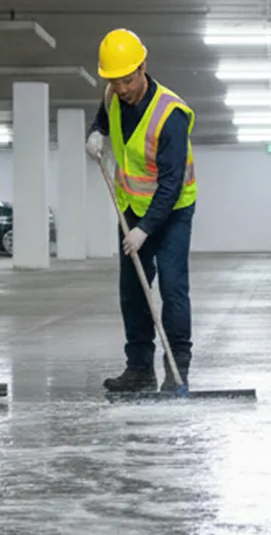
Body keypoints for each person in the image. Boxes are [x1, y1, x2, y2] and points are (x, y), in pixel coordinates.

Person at [84, 29, 197, 394]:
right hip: (132, 206)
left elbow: (171, 184)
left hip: (173, 209)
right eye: (114, 81)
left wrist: (145, 229)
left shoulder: (171, 115)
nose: (122, 89)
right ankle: (139, 369)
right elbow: (105, 114)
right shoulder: (112, 94)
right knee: (133, 289)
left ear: (143, 68)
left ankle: (176, 370)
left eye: (128, 80)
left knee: (173, 287)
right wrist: (97, 131)